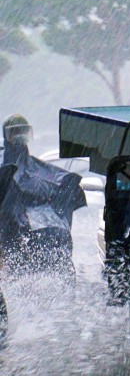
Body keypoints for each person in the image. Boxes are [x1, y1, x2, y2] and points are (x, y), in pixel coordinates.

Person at [0, 114, 86, 277]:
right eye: (16, 131)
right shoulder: (6, 171)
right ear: (7, 135)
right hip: (10, 236)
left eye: (23, 131)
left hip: (37, 239)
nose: (20, 136)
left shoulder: (40, 172)